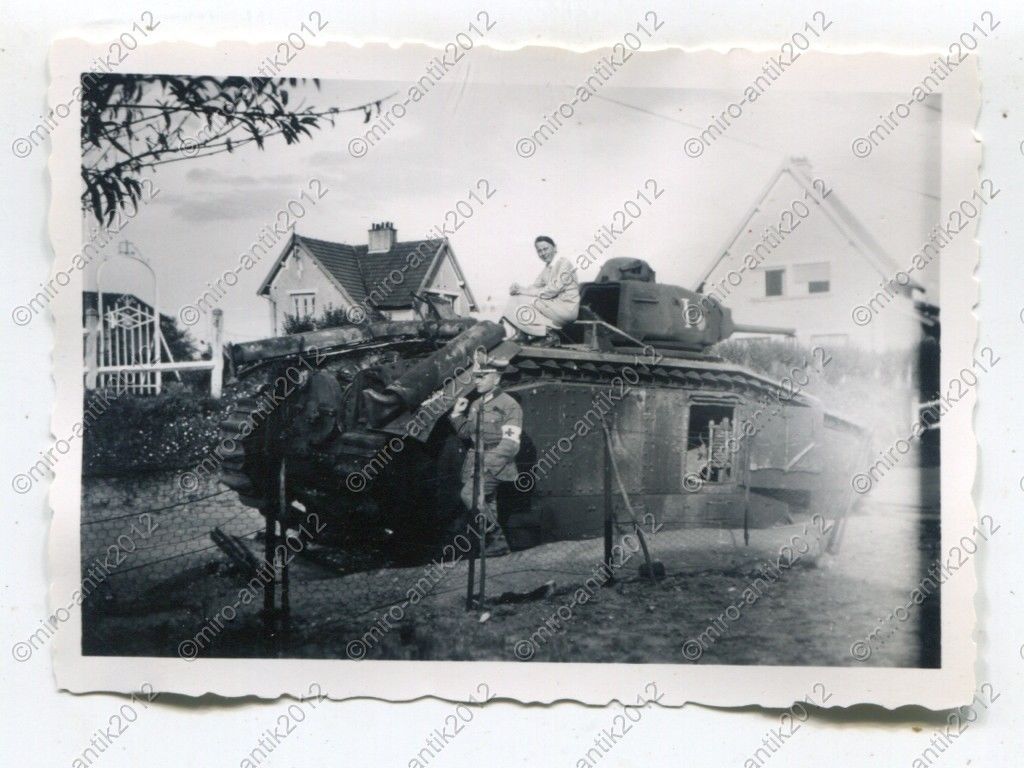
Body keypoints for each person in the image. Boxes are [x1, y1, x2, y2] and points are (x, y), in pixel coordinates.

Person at [448, 355, 521, 556]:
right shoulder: (476, 404)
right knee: (488, 504)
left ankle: (497, 541)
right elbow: (467, 434)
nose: (477, 380)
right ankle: (492, 552)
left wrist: (488, 465)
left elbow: (511, 444)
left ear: (496, 379)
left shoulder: (509, 405)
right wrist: (456, 415)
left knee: (469, 496)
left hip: (495, 463)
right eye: (476, 376)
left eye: (482, 376)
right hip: (475, 461)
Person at [502, 236, 580, 345]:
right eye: (539, 251)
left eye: (545, 249)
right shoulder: (548, 268)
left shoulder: (564, 263)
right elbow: (535, 286)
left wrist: (524, 292)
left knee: (525, 300)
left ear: (555, 248)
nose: (543, 253)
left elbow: (553, 290)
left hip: (566, 308)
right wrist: (518, 288)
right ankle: (522, 334)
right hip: (554, 306)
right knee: (517, 298)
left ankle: (549, 335)